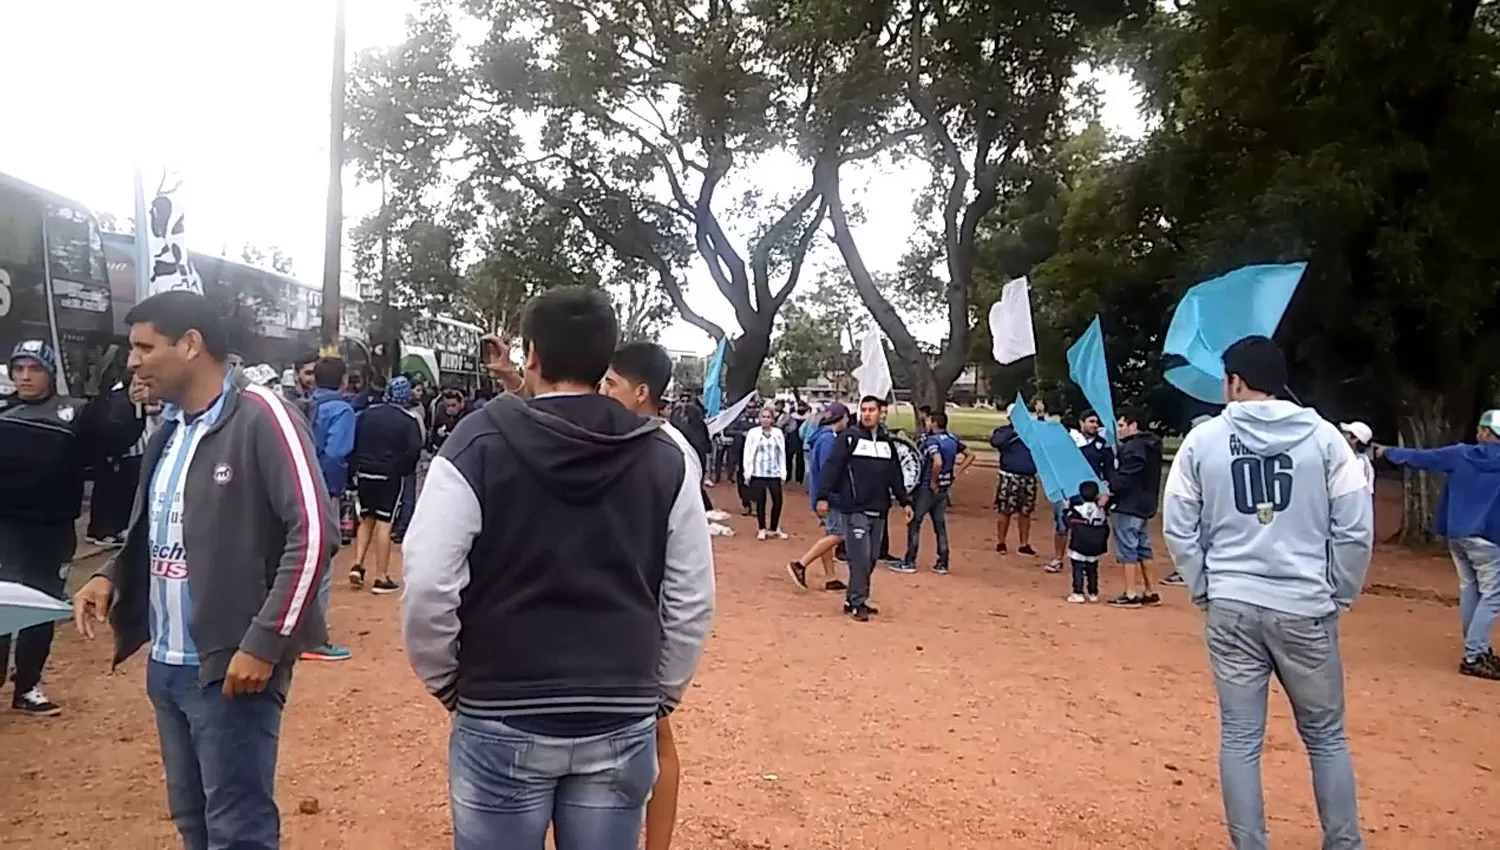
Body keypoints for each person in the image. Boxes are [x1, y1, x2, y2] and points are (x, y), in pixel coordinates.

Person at [400, 287, 715, 850]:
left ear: (533, 355)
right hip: (619, 713)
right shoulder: (664, 455)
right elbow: (691, 596)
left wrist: (449, 682)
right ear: (605, 359)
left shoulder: (478, 441)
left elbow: (427, 582)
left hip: (500, 709)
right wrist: (659, 694)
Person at [73, 291, 336, 849]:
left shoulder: (263, 415)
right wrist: (112, 577)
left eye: (144, 346)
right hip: (167, 666)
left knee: (237, 832)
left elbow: (314, 532)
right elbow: (156, 529)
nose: (132, 361)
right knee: (193, 822)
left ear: (190, 344)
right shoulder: (170, 430)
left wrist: (263, 644)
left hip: (231, 671)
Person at [1162, 334, 1373, 850]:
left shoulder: (1203, 440)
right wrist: (1339, 592)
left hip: (1232, 603)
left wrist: (1204, 585)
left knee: (1239, 738)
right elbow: (1355, 527)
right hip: (1306, 606)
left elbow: (1177, 523)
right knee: (1326, 738)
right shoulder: (1325, 439)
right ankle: (1343, 843)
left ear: (1234, 381)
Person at [600, 340, 708, 850]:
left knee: (657, 735)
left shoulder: (669, 451)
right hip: (632, 612)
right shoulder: (633, 440)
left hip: (647, 614)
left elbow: (688, 575)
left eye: (611, 384)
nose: (602, 392)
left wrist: (669, 675)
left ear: (641, 393)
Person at [0, 339, 143, 716]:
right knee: (2, 606)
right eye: (19, 369)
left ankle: (28, 686)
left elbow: (115, 440)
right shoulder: (3, 410)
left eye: (35, 369)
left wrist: (134, 404)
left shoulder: (77, 412)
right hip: (5, 528)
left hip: (51, 530)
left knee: (40, 609)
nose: (26, 377)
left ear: (50, 373)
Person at [1377, 409, 1500, 680]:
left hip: (1457, 534)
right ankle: (1474, 654)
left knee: (1472, 589)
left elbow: (1422, 458)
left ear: (1485, 433)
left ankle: (1477, 650)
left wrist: (1388, 452)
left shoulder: (1459, 454)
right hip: (1489, 539)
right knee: (1493, 595)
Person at [815, 396, 914, 621]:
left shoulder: (887, 444)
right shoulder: (848, 438)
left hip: (879, 509)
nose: (867, 414)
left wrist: (906, 501)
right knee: (859, 558)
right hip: (854, 509)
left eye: (872, 410)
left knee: (870, 559)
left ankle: (854, 598)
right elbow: (833, 468)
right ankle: (858, 602)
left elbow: (895, 476)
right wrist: (823, 496)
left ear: (881, 413)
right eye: (864, 410)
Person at [301, 357, 355, 661]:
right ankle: (313, 639)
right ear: (344, 380)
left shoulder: (303, 405)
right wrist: (330, 490)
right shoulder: (342, 410)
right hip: (321, 489)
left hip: (293, 485)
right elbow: (336, 454)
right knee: (322, 561)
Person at [348, 375, 423, 595]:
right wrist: (402, 470)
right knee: (385, 522)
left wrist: (355, 469)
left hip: (365, 473)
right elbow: (413, 450)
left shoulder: (367, 415)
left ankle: (358, 565)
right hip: (389, 476)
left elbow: (355, 441)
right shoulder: (408, 420)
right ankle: (381, 576)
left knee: (366, 518)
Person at [892, 410, 972, 574]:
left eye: (928, 421)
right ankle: (943, 562)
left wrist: (934, 480)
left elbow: (937, 462)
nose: (926, 424)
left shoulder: (932, 441)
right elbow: (970, 455)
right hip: (944, 488)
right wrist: (955, 473)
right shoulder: (952, 439)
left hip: (927, 488)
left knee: (915, 522)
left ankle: (910, 561)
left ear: (934, 423)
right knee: (939, 525)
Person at [787, 403, 852, 592]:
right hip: (828, 496)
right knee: (838, 533)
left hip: (820, 494)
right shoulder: (828, 441)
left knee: (828, 533)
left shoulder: (822, 437)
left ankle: (830, 577)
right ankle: (801, 564)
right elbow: (828, 470)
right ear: (841, 418)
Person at [1106, 408, 1164, 608]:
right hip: (1145, 504)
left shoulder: (1133, 449)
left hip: (1129, 504)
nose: (1119, 430)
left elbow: (1126, 477)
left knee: (1127, 548)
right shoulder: (1151, 446)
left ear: (1133, 425)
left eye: (1121, 425)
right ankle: (1150, 590)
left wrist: (1110, 487)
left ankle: (1131, 593)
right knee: (1142, 547)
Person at [86, 374, 148, 547]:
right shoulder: (123, 400)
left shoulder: (112, 394)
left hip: (115, 453)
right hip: (124, 453)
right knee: (118, 492)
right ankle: (109, 531)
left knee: (106, 491)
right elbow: (129, 426)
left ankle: (100, 529)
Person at [990, 415, 1040, 556]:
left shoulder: (1031, 432)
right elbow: (996, 442)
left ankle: (1024, 544)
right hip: (1009, 475)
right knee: (1005, 510)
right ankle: (1001, 542)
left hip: (1028, 476)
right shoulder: (1003, 431)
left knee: (1025, 511)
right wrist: (1014, 431)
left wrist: (1040, 417)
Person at [390, 377, 429, 546]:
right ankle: (401, 527)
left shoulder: (412, 414)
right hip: (407, 462)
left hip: (396, 463)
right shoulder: (414, 415)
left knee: (404, 496)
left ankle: (401, 527)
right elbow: (420, 440)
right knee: (407, 495)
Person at [742, 406, 789, 540]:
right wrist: (747, 472)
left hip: (774, 472)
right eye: (763, 417)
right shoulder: (753, 433)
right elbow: (748, 453)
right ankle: (761, 528)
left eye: (768, 417)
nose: (765, 420)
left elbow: (782, 454)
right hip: (758, 472)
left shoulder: (778, 433)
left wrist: (783, 472)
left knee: (777, 501)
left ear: (773, 419)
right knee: (760, 501)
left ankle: (774, 528)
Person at [1064, 480, 1109, 602]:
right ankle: (1093, 592)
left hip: (1079, 544)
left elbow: (1067, 521)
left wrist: (1066, 508)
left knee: (1078, 569)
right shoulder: (1101, 510)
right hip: (1095, 546)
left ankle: (1078, 592)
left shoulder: (1078, 509)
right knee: (1092, 569)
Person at [1339, 421, 1376, 497]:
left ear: (1354, 439)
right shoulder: (1356, 458)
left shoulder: (1359, 463)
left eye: (1347, 433)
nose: (1342, 435)